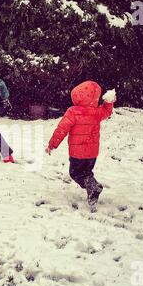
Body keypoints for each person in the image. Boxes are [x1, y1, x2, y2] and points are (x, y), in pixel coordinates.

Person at [46, 81, 116, 210]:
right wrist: (109, 102)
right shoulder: (96, 112)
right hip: (92, 153)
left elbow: (62, 129)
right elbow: (107, 112)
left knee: (75, 173)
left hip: (77, 152)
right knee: (87, 172)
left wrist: (52, 144)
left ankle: (93, 187)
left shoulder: (73, 111)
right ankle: (93, 188)